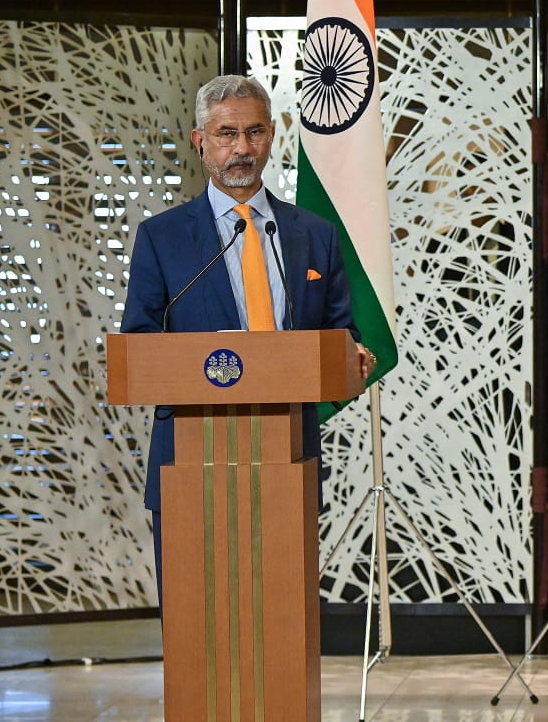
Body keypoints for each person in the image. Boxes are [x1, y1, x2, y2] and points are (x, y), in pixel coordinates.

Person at [120, 75, 372, 600]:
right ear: (200, 141)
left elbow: (340, 331)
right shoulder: (162, 237)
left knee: (279, 610)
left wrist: (352, 356)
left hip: (287, 453)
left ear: (272, 136)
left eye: (254, 132)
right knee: (198, 611)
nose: (241, 149)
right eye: (226, 133)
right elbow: (140, 345)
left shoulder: (312, 233)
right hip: (191, 456)